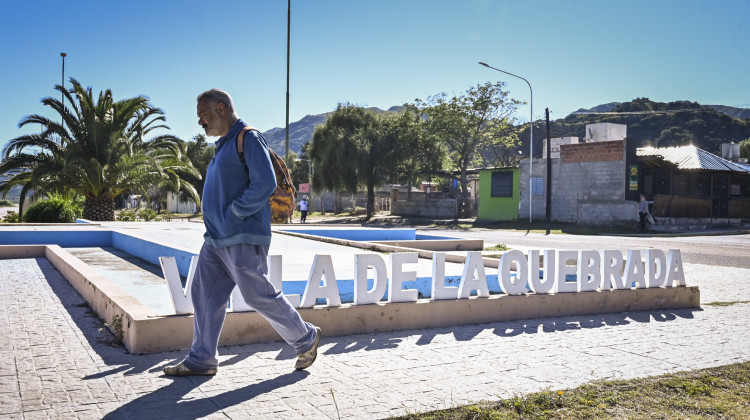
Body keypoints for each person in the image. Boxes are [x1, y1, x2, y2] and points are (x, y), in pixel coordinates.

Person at [164, 89, 321, 376]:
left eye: (203, 115)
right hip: (215, 239)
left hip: (242, 235)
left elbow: (265, 183)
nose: (200, 122)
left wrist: (234, 213)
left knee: (256, 293)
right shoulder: (222, 145)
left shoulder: (247, 137)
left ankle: (306, 338)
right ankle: (202, 359)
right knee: (204, 294)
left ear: (221, 108)